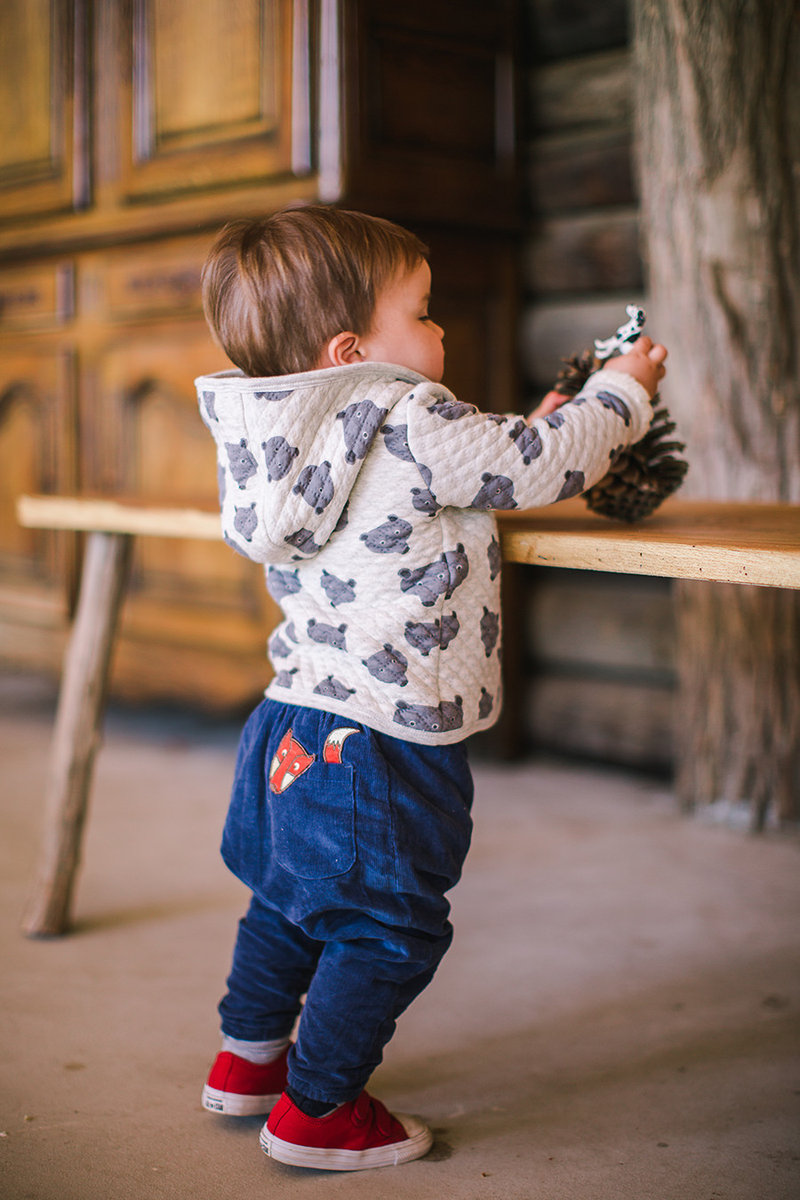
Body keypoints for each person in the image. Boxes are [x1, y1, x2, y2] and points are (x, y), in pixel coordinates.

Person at [194, 204, 667, 1172]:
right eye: (421, 311)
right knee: (384, 927)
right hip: (384, 738)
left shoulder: (278, 435)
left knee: (287, 897)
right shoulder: (410, 415)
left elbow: (481, 466)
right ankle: (318, 1112)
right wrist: (620, 394)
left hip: (293, 718)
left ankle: (247, 1062)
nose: (439, 330)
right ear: (349, 346)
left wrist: (526, 429)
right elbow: (534, 471)